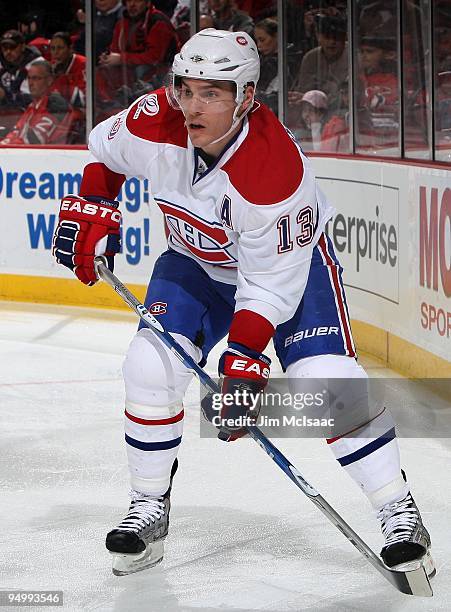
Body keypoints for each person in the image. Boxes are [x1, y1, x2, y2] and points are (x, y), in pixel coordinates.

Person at [52, 28, 434, 578]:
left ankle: (398, 510)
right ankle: (147, 507)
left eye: (213, 92)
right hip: (194, 263)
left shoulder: (274, 168)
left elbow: (270, 286)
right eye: (186, 89)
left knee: (325, 381)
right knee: (147, 366)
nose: (193, 105)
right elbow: (105, 154)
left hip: (288, 273)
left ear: (247, 96)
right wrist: (94, 202)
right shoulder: (153, 117)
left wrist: (246, 358)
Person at [97, 0, 179, 104]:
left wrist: (121, 59)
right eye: (129, 1)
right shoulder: (123, 22)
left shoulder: (158, 22)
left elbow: (154, 58)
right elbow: (115, 49)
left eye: (137, 1)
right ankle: (110, 106)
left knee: (142, 70)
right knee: (102, 72)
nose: (132, 4)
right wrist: (108, 58)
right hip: (130, 76)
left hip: (160, 77)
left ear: (147, 2)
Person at [0, 59, 70, 145]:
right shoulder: (33, 105)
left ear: (49, 80)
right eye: (29, 78)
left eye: (36, 78)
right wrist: (5, 143)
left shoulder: (55, 104)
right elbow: (17, 130)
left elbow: (35, 139)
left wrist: (7, 145)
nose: (30, 83)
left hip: (51, 156)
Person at [0, 29, 41, 111]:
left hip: (33, 114)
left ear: (22, 47)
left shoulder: (37, 65)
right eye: (5, 48)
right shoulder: (2, 64)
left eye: (12, 47)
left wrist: (5, 95)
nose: (8, 51)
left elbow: (34, 99)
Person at [50, 31, 86, 109]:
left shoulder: (83, 64)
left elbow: (84, 100)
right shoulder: (52, 66)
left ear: (70, 49)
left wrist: (61, 79)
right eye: (53, 48)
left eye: (60, 48)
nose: (56, 52)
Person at [254, 17, 278, 113]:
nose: (258, 45)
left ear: (277, 36)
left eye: (262, 40)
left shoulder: (289, 58)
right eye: (257, 40)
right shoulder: (260, 59)